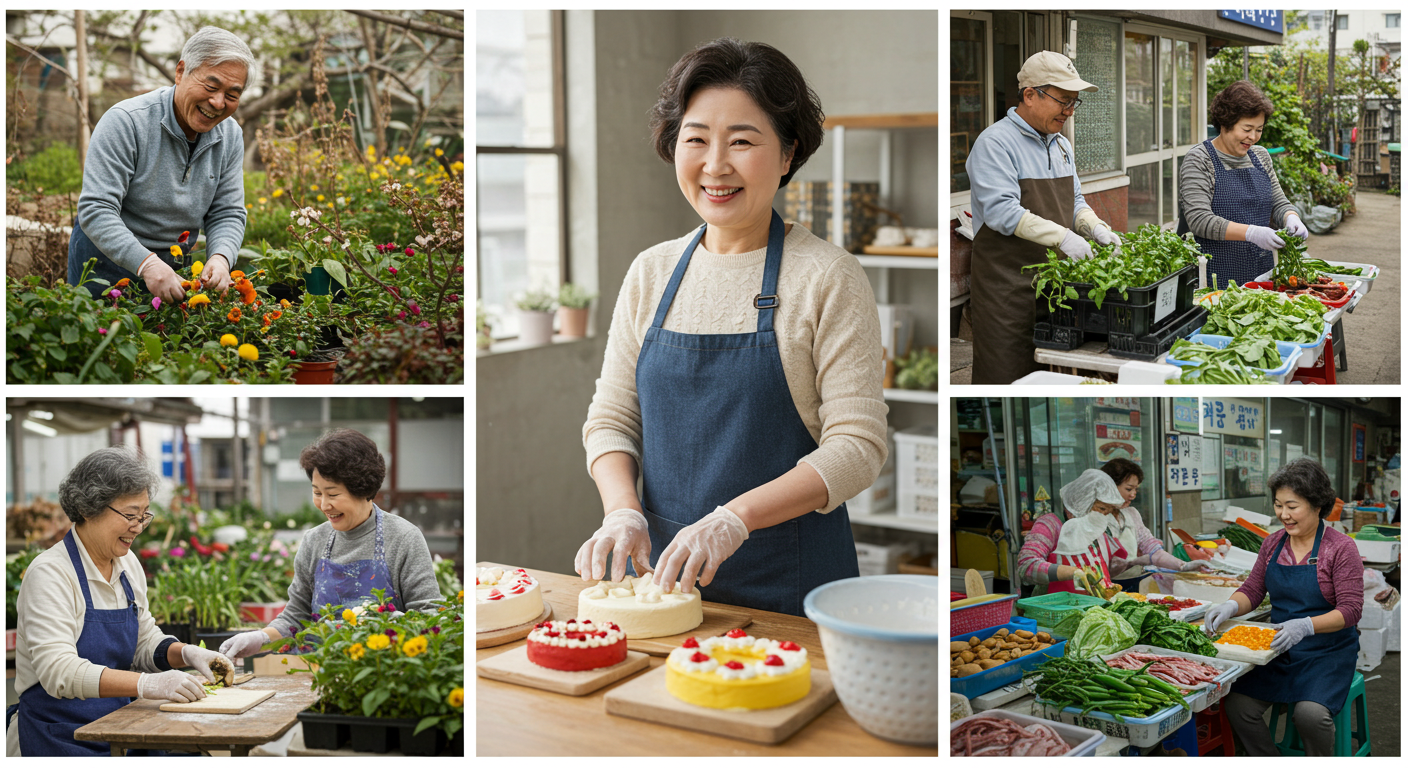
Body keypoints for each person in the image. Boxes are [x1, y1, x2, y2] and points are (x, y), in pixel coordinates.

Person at [575, 37, 887, 617]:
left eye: (742, 141)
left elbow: (858, 447)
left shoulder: (828, 276)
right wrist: (621, 510)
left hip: (791, 589)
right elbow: (612, 419)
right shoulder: (652, 272)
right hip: (664, 585)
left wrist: (733, 520)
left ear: (788, 154)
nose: (715, 165)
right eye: (695, 139)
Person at [6, 447, 231, 756]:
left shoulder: (127, 564)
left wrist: (188, 654)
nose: (138, 526)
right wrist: (148, 685)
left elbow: (143, 641)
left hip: (118, 724)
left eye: (144, 515)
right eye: (129, 515)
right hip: (58, 733)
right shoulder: (51, 573)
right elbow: (59, 672)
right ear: (88, 509)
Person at [219, 429, 441, 662]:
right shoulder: (314, 541)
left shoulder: (403, 538)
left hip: (382, 669)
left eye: (333, 494)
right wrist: (261, 638)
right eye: (317, 493)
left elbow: (430, 616)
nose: (324, 505)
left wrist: (396, 625)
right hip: (320, 670)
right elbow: (296, 617)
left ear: (363, 489)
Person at [964, 51, 1117, 385]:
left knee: (1054, 379)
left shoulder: (1061, 145)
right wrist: (1064, 237)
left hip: (1057, 287)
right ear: (1030, 95)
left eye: (1074, 102)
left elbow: (1075, 201)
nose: (1069, 111)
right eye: (1063, 101)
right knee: (1006, 377)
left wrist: (1095, 227)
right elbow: (1002, 212)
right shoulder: (995, 143)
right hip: (1008, 292)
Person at [69, 26, 251, 302]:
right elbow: (97, 208)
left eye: (232, 95)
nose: (217, 102)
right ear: (181, 72)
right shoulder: (126, 121)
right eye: (211, 87)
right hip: (105, 264)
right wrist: (147, 264)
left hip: (174, 267)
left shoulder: (230, 135)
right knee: (100, 329)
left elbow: (227, 211)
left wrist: (221, 257)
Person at [1203, 458, 1362, 756]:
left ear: (1317, 505)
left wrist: (1306, 625)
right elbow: (1253, 589)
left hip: (1328, 652)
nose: (1283, 515)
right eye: (1278, 505)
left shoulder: (1340, 548)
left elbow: (1351, 609)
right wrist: (1230, 606)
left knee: (1310, 715)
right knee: (1237, 704)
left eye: (1292, 506)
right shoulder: (1273, 543)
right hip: (1278, 649)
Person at [1178, 80, 1307, 289]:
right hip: (1214, 277)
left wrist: (1291, 218)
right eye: (1247, 129)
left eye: (1259, 129)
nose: (1253, 137)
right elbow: (1199, 220)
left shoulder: (1261, 156)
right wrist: (1252, 233)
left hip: (1261, 274)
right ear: (1225, 123)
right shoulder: (1200, 159)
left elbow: (1278, 203)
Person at [1100, 458, 1211, 591]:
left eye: (1136, 489)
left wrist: (1182, 566)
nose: (1133, 495)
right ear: (1110, 487)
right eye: (1129, 489)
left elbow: (1152, 548)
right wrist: (1136, 561)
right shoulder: (1096, 519)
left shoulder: (1131, 514)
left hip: (1137, 580)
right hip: (1107, 586)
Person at [1016, 470, 1127, 594]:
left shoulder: (1095, 528)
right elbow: (1026, 566)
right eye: (1101, 508)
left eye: (1108, 512)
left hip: (1095, 604)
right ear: (1079, 502)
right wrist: (1072, 572)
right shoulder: (1050, 525)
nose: (1104, 516)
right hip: (1059, 604)